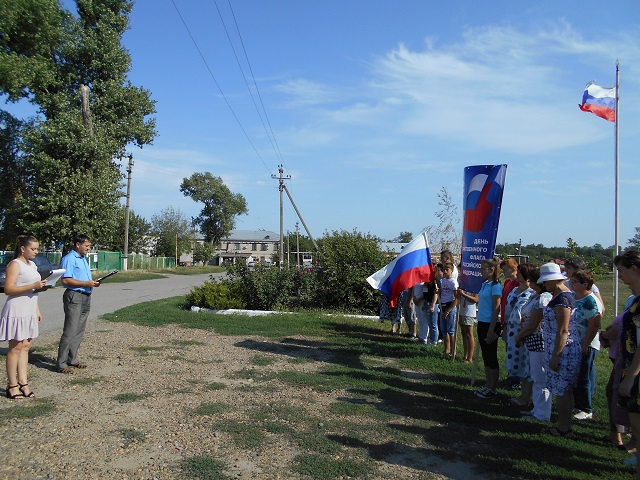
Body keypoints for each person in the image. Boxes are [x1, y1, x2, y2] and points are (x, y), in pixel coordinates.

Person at [0, 235, 47, 399]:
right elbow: (8, 289)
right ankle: (12, 385)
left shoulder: (32, 265)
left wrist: (37, 309)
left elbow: (34, 291)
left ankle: (23, 382)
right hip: (16, 310)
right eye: (33, 249)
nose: (36, 251)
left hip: (29, 309)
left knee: (26, 345)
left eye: (37, 248)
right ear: (22, 248)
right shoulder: (15, 264)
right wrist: (33, 285)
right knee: (15, 347)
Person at [539, 262, 580, 437]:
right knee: (564, 390)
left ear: (554, 280)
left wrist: (556, 355)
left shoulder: (563, 299)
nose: (544, 285)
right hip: (559, 347)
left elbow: (564, 329)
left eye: (546, 281)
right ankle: (564, 423)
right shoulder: (561, 296)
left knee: (562, 391)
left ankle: (563, 426)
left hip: (564, 350)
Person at [57, 234, 101, 374]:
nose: (89, 248)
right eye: (86, 246)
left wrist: (92, 283)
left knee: (79, 330)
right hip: (74, 296)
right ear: (78, 244)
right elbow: (66, 280)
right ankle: (61, 363)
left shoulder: (83, 259)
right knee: (70, 331)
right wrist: (86, 283)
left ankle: (72, 359)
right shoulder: (69, 259)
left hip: (86, 296)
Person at [515, 267, 552, 421]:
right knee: (535, 375)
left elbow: (534, 324)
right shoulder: (535, 296)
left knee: (540, 377)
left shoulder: (544, 298)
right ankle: (537, 409)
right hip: (531, 340)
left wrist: (520, 335)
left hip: (539, 341)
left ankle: (542, 413)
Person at [615, 250, 640, 476]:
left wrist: (631, 376)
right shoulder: (637, 300)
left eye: (621, 271)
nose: (619, 277)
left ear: (634, 269)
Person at [571, 269, 603, 421]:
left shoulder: (590, 301)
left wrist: (585, 344)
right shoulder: (574, 297)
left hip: (586, 344)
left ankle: (586, 408)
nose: (571, 283)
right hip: (574, 343)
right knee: (575, 374)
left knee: (584, 376)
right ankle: (577, 403)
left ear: (585, 284)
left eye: (575, 282)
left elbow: (594, 324)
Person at [503, 263, 534, 390]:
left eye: (520, 273)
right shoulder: (515, 290)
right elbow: (508, 307)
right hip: (511, 327)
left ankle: (520, 380)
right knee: (511, 353)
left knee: (522, 356)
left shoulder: (531, 293)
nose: (517, 274)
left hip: (523, 329)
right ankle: (512, 376)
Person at [474, 258, 502, 399]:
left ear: (492, 270)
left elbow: (496, 309)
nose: (481, 271)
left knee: (491, 356)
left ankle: (493, 387)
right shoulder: (485, 284)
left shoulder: (496, 286)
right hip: (482, 322)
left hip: (491, 323)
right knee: (486, 355)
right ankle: (487, 384)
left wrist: (492, 329)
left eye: (484, 269)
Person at [440, 262, 459, 355]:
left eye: (447, 269)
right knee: (444, 329)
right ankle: (446, 349)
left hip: (450, 306)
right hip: (442, 305)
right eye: (444, 269)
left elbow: (456, 298)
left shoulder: (453, 282)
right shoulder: (443, 281)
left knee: (451, 330)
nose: (445, 271)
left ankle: (453, 350)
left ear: (452, 270)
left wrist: (448, 310)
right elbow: (442, 293)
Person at [457, 288, 477, 363]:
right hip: (461, 310)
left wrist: (463, 294)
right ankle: (465, 355)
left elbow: (475, 299)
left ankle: (470, 357)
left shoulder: (474, 286)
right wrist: (458, 292)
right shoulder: (463, 285)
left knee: (469, 334)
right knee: (463, 333)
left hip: (469, 312)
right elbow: (457, 296)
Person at [416, 280, 438, 346]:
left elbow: (435, 294)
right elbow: (425, 294)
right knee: (430, 323)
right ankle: (431, 340)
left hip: (432, 304)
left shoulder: (434, 282)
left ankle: (434, 340)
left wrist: (433, 305)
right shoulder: (426, 283)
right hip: (426, 303)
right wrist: (423, 304)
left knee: (433, 324)